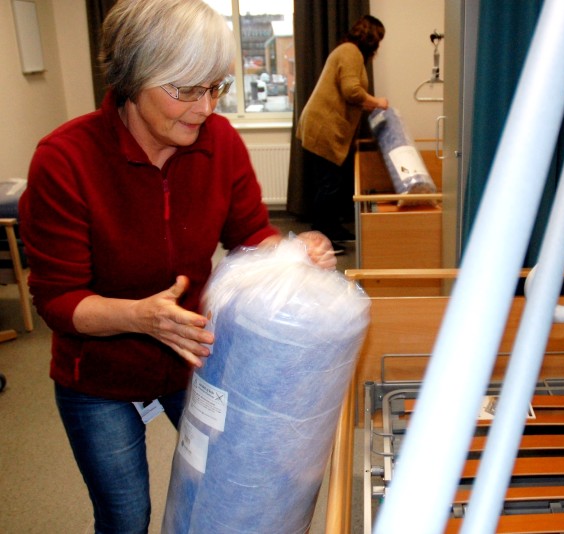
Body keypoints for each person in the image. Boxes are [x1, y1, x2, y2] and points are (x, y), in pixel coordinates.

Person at [18, 1, 336, 532]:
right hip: (97, 376)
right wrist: (140, 317)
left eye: (215, 87)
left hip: (193, 357)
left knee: (224, 486)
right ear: (131, 76)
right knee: (126, 516)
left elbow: (249, 236)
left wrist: (291, 252)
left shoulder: (220, 143)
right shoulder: (64, 161)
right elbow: (58, 299)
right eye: (185, 89)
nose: (204, 107)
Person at [296, 15, 389, 253]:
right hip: (323, 127)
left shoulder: (349, 51)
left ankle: (333, 229)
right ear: (372, 37)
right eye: (378, 39)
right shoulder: (351, 51)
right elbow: (351, 91)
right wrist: (378, 102)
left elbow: (350, 94)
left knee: (333, 182)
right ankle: (321, 237)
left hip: (326, 126)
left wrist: (370, 104)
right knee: (329, 184)